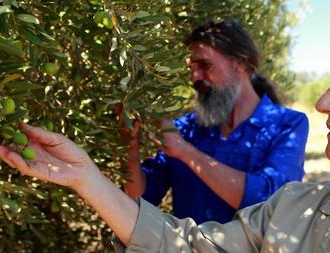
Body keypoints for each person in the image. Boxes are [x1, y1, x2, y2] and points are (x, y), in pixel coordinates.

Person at [0, 10, 330, 252]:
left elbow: (259, 191)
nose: (324, 102)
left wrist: (183, 154)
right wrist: (87, 175)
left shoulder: (285, 128)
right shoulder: (300, 211)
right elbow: (175, 234)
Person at [120, 20, 309, 224]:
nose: (195, 77)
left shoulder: (288, 124)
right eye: (191, 68)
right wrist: (130, 149)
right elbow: (139, 201)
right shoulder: (186, 129)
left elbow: (272, 204)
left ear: (240, 63)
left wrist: (185, 152)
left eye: (204, 65)